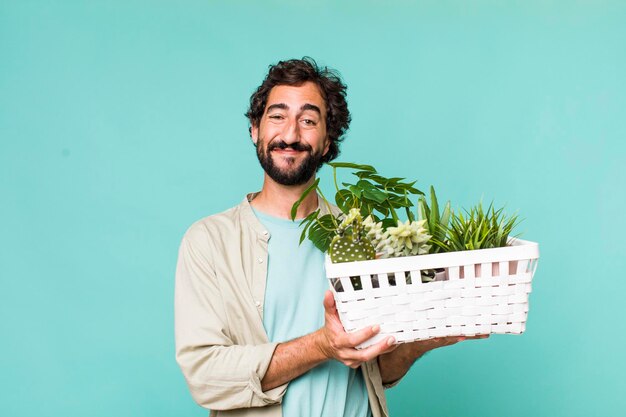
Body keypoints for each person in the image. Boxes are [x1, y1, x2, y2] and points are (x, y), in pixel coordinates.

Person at [175, 57, 485, 417]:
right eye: (277, 116)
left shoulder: (362, 236)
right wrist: (321, 346)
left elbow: (376, 370)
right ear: (254, 130)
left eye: (308, 121)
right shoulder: (208, 242)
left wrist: (422, 340)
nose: (290, 135)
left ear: (327, 142)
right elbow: (205, 376)